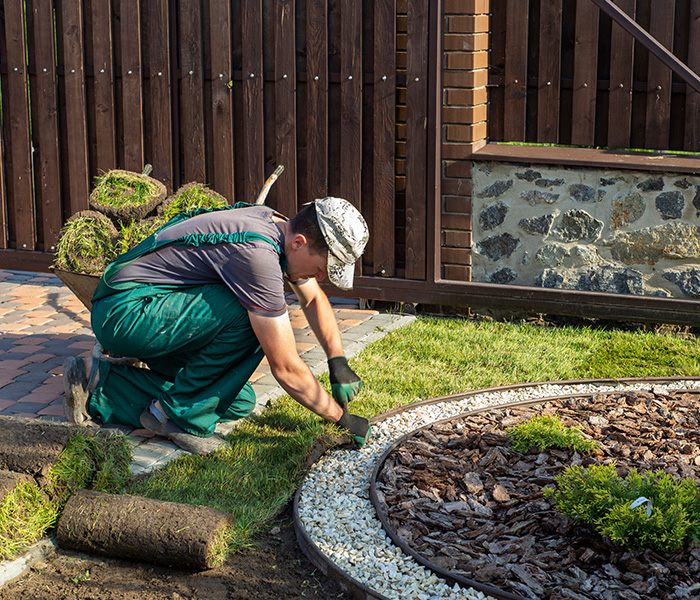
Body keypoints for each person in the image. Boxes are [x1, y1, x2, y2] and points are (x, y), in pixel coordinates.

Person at [62, 196, 371, 456]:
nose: (319, 278)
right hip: (126, 313)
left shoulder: (280, 228)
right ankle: (175, 417)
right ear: (300, 242)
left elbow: (314, 300)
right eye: (321, 268)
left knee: (236, 400)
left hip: (152, 311)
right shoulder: (259, 256)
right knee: (251, 316)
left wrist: (337, 360)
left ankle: (98, 384)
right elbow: (286, 366)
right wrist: (341, 418)